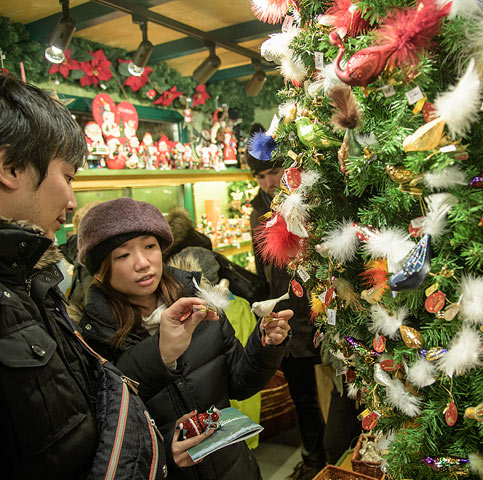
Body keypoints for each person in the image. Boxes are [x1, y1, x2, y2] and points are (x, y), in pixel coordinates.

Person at [0, 75, 173, 479]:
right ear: (10, 167)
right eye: (69, 175)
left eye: (151, 248)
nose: (71, 199)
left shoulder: (29, 281)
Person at [76, 197, 293, 480]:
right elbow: (104, 439)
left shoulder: (198, 302)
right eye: (123, 255)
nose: (142, 263)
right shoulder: (93, 339)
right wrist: (166, 450)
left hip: (235, 466)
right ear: (101, 269)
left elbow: (239, 383)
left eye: (149, 246)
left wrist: (265, 344)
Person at [247, 132, 327, 480]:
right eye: (261, 176)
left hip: (318, 310)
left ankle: (334, 453)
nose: (268, 181)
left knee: (334, 389)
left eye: (273, 171)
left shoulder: (305, 200)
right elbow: (261, 269)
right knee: (302, 396)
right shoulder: (256, 212)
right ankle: (313, 460)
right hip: (286, 316)